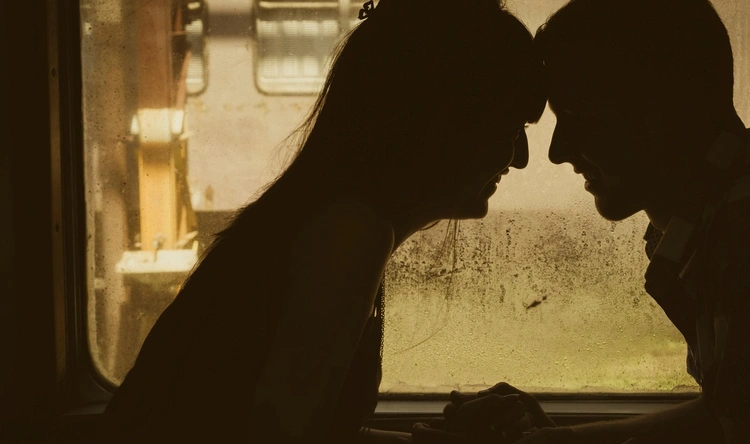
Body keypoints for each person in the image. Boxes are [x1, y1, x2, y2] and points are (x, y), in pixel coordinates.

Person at [98, 0, 545, 443]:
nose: (521, 158)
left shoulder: (330, 217)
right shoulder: (350, 236)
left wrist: (426, 438)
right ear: (446, 123)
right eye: (510, 129)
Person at [440, 0, 750, 443]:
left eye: (580, 120)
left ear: (664, 115)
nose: (557, 152)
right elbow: (730, 410)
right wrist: (563, 439)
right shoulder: (736, 210)